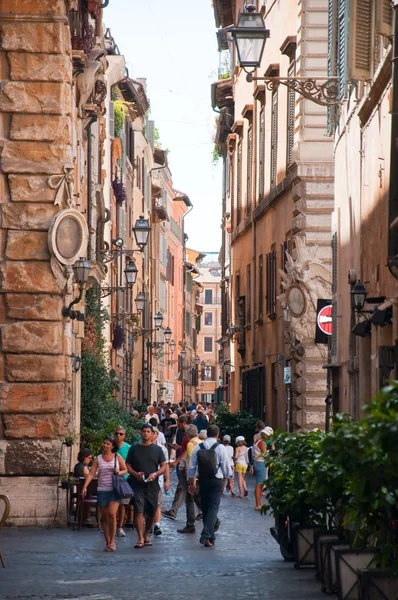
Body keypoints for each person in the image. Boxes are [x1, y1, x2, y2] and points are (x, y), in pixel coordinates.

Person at [188, 424, 232, 547]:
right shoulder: (221, 447)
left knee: (206, 507)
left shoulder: (198, 447)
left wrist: (192, 483)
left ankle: (211, 537)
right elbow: (226, 467)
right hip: (216, 480)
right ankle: (206, 535)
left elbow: (191, 467)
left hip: (202, 479)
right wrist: (229, 480)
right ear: (218, 435)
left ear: (206, 434)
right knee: (213, 507)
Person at [82, 435, 127, 552]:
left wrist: (119, 472)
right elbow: (92, 473)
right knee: (105, 517)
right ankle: (107, 542)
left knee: (112, 514)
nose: (105, 445)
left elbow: (125, 469)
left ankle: (113, 541)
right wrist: (85, 486)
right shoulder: (98, 458)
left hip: (114, 489)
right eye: (104, 443)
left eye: (108, 444)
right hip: (102, 489)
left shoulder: (117, 457)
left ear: (112, 446)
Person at [126, 424, 166, 548]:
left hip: (152, 485)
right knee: (138, 511)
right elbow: (128, 465)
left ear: (152, 433)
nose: (146, 434)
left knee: (151, 513)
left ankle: (146, 534)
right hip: (137, 485)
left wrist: (156, 474)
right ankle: (140, 538)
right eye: (144, 431)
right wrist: (135, 474)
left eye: (148, 431)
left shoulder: (158, 450)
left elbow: (164, 466)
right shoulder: (134, 449)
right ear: (140, 433)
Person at [176, 424, 202, 534]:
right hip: (202, 475)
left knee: (190, 500)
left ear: (186, 435)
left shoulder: (191, 444)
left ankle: (190, 524)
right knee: (197, 499)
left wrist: (192, 480)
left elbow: (192, 462)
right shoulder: (201, 443)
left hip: (193, 477)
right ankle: (213, 518)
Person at [151, 427, 170, 536]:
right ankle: (149, 523)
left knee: (158, 504)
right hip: (146, 481)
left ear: (156, 435)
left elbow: (165, 465)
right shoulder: (142, 447)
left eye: (153, 433)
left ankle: (157, 524)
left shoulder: (162, 449)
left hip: (158, 481)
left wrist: (167, 480)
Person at [113, 425, 131, 538]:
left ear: (124, 435)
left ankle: (120, 527)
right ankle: (111, 525)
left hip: (125, 479)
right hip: (112, 479)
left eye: (121, 434)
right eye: (116, 433)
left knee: (123, 505)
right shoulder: (110, 446)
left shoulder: (128, 447)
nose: (118, 436)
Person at [250, 421, 269, 511]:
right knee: (259, 484)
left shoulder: (257, 440)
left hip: (257, 462)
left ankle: (258, 503)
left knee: (259, 484)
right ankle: (258, 504)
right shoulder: (262, 442)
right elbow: (265, 454)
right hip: (261, 463)